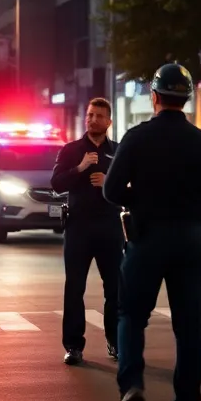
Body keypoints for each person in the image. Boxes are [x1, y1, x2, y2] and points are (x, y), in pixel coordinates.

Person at [103, 63, 201, 401]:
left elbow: (111, 190)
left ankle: (132, 386)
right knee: (189, 328)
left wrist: (139, 199)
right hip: (192, 240)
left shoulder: (137, 138)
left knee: (131, 316)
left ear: (155, 97)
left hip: (146, 237)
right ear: (187, 100)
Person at [51, 97, 123, 365]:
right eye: (90, 115)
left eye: (99, 116)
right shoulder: (70, 150)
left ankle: (115, 342)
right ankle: (74, 346)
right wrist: (79, 169)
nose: (93, 120)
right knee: (74, 288)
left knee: (115, 288)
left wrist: (109, 182)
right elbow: (56, 183)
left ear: (109, 122)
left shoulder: (117, 151)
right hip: (79, 227)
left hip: (110, 227)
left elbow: (130, 188)